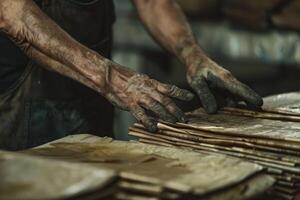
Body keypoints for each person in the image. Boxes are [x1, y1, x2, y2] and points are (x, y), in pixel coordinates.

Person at [0, 0, 262, 150]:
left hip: (90, 101)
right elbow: (13, 15)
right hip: (19, 106)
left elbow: (151, 2)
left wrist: (192, 53)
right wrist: (111, 78)